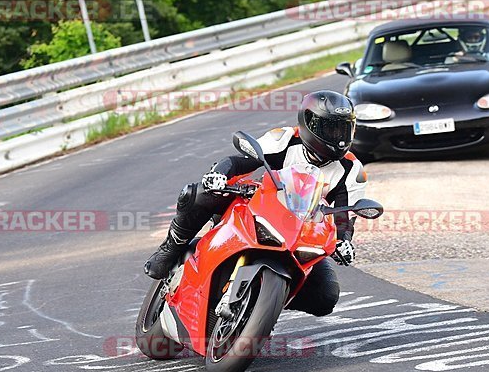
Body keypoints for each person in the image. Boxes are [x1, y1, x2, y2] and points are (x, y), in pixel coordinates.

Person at [144, 90, 368, 316]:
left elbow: (344, 215)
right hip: (258, 205)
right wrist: (219, 174)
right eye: (330, 128)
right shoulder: (286, 139)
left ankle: (263, 302)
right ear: (309, 123)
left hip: (300, 232)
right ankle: (172, 247)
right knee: (198, 193)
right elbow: (240, 162)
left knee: (326, 297)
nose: (338, 136)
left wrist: (344, 241)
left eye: (344, 128)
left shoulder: (351, 169)